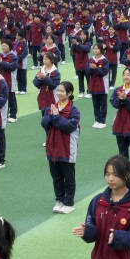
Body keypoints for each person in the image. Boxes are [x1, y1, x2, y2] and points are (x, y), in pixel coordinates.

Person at [41, 81, 80, 214]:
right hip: (53, 147)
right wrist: (51, 116)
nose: (59, 93)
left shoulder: (74, 110)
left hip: (67, 149)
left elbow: (69, 127)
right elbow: (44, 123)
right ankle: (59, 200)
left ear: (69, 94)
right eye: (58, 90)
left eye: (62, 91)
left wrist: (56, 117)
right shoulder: (50, 108)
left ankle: (69, 202)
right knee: (56, 176)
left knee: (68, 177)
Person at [110, 68, 130, 175]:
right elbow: (114, 104)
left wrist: (125, 99)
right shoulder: (117, 90)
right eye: (124, 75)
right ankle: (124, 167)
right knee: (122, 148)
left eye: (128, 75)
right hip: (119, 124)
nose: (126, 77)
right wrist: (120, 99)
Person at [87, 43, 109, 128]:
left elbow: (104, 72)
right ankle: (97, 120)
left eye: (97, 49)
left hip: (102, 85)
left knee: (103, 104)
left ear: (101, 50)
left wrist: (96, 68)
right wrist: (90, 69)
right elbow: (87, 71)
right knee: (95, 104)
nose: (95, 50)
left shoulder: (105, 60)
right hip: (93, 85)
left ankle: (102, 121)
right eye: (94, 49)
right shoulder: (91, 59)